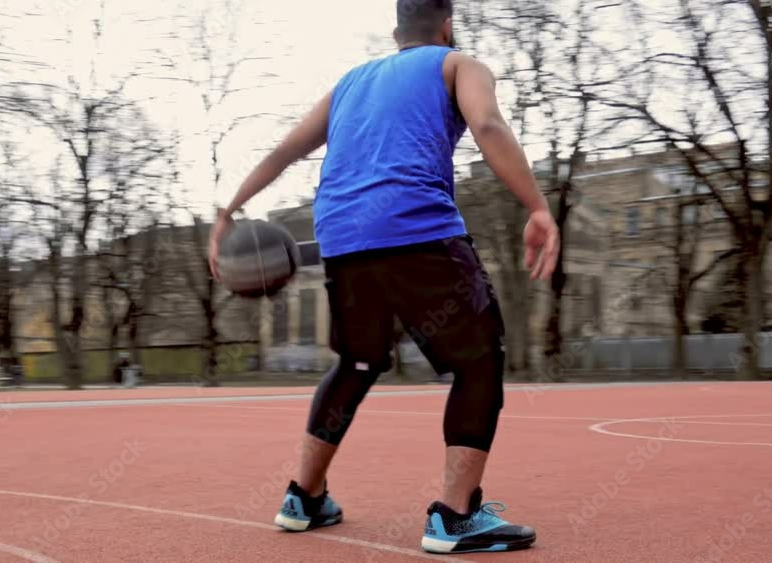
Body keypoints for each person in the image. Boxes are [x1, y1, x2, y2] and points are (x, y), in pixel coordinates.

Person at [208, 0, 559, 554]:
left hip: (341, 236)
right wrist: (537, 207)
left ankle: (304, 497)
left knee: (358, 360)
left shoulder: (349, 83)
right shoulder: (458, 64)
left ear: (396, 32)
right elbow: (488, 124)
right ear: (447, 24)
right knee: (478, 360)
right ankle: (456, 518)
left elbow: (286, 149)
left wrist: (229, 210)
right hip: (415, 226)